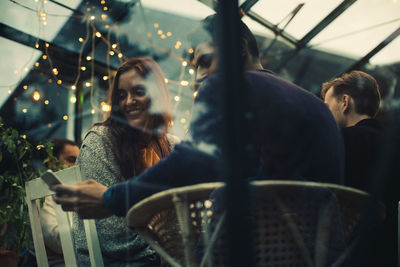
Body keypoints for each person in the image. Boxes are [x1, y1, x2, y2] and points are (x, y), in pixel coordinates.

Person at [53, 15, 344, 221]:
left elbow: (192, 162)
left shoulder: (229, 85)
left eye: (205, 61)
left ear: (238, 47)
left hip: (267, 246)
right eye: (195, 68)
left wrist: (111, 199)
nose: (201, 76)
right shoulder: (313, 103)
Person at [70, 57, 178, 266]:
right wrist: (170, 246)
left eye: (138, 91)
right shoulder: (100, 141)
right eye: (121, 95)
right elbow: (113, 236)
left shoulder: (172, 146)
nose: (128, 101)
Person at [321, 70, 399, 266]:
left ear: (345, 102)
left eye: (327, 107)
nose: (324, 114)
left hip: (341, 253)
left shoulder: (338, 142)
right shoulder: (393, 144)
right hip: (386, 251)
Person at [39, 138, 79, 266]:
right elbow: (57, 242)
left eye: (78, 161)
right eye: (71, 160)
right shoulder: (41, 194)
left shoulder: (76, 190)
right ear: (52, 161)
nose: (76, 165)